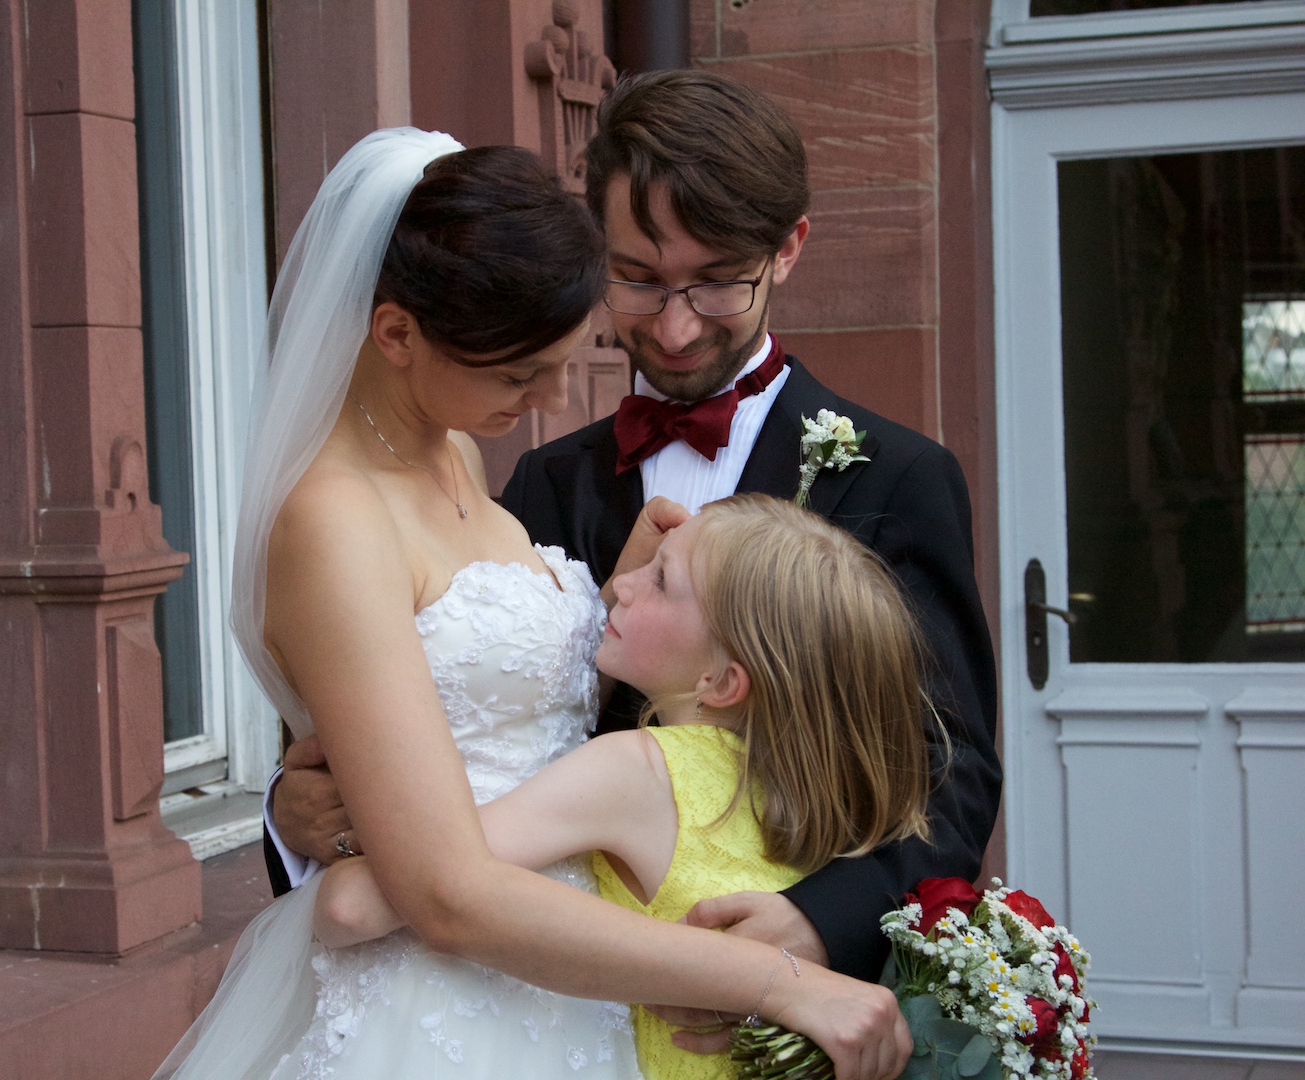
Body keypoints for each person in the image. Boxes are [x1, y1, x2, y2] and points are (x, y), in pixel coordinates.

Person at [154, 129, 910, 1080]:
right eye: (520, 373)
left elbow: (505, 715)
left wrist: (610, 603)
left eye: (562, 360)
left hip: (575, 971)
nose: (553, 397)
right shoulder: (331, 520)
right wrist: (776, 983)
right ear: (396, 334)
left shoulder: (456, 452)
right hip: (442, 1002)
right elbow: (442, 889)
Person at [271, 68, 1000, 1021]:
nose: (676, 325)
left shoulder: (897, 478)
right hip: (545, 979)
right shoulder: (543, 480)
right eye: (640, 281)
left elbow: (950, 768)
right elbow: (473, 720)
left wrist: (819, 923)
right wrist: (298, 821)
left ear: (787, 250)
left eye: (716, 281)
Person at [311, 493, 940, 1080]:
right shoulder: (794, 790)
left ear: (722, 682)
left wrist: (354, 844)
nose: (626, 584)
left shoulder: (637, 771)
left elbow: (353, 907)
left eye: (662, 579)